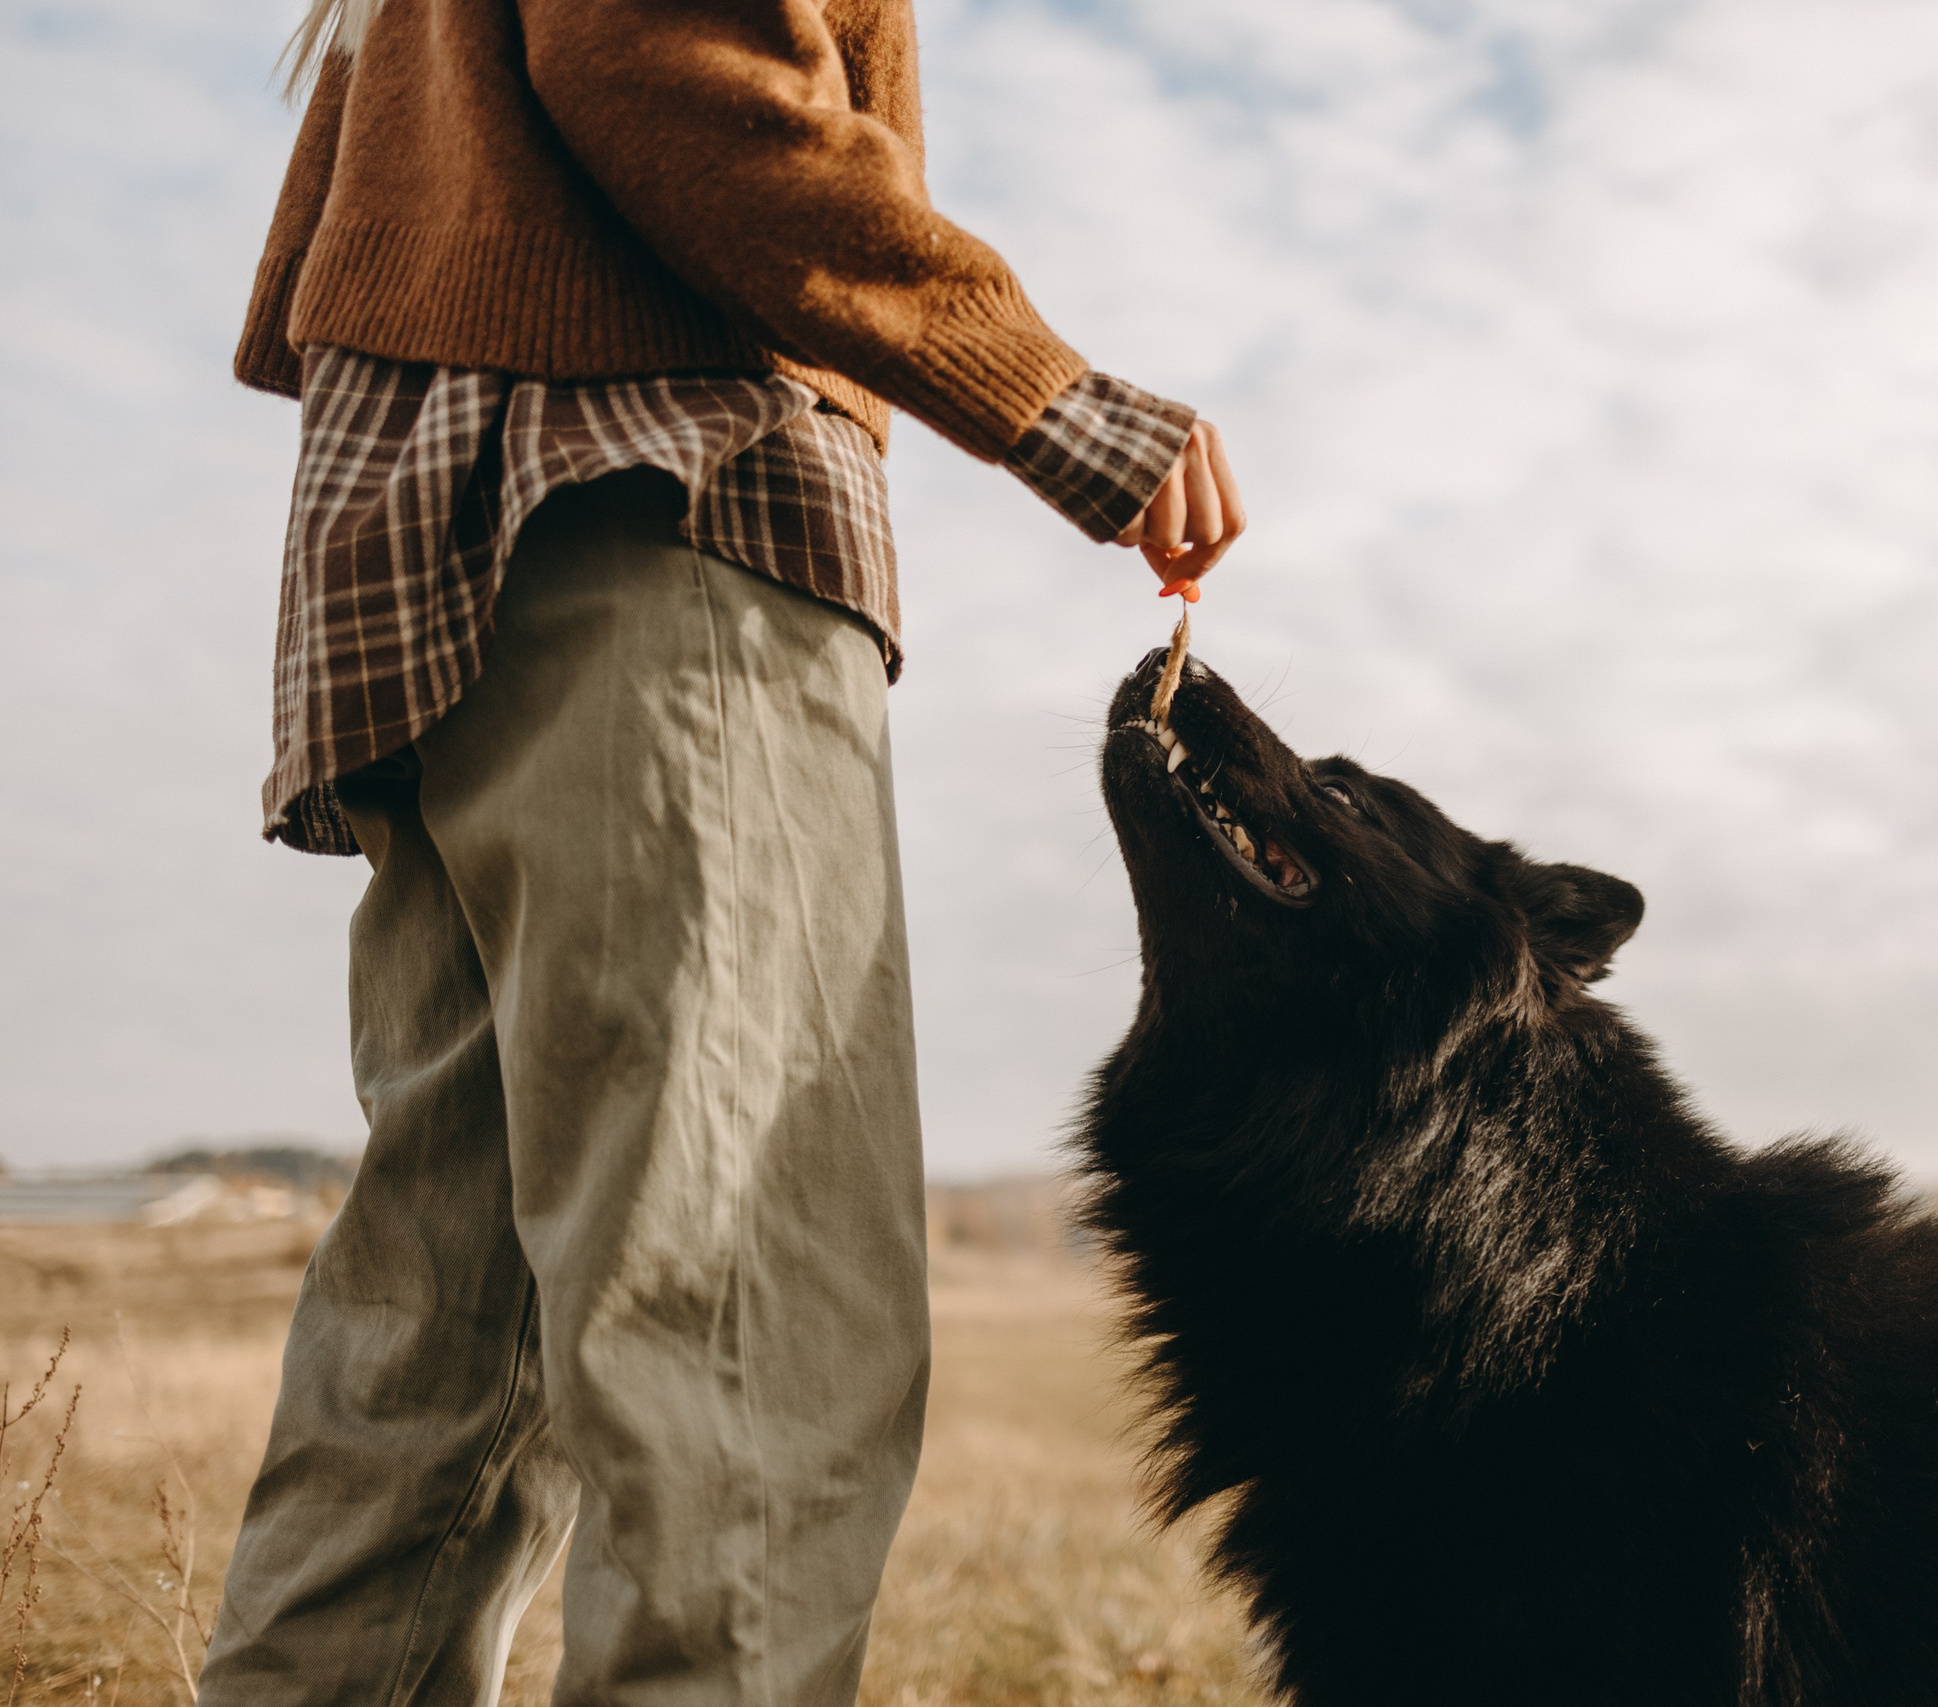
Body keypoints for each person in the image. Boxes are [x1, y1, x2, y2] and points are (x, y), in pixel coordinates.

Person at [194, 0, 1244, 1700]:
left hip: (456, 549)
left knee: (445, 1346)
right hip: (666, 506)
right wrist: (1057, 399)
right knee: (752, 1333)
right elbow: (664, 61)